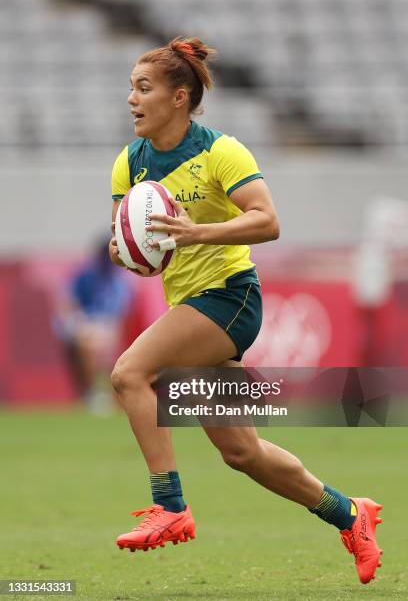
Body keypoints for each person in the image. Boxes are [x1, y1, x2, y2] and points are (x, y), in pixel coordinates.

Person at [109, 37, 382, 585]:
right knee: (242, 450)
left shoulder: (221, 152)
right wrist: (128, 251)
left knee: (130, 373)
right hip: (192, 302)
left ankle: (170, 505)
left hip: (232, 298)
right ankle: (350, 514)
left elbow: (267, 220)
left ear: (179, 97)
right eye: (131, 89)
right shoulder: (130, 163)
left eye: (144, 89)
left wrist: (195, 234)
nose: (132, 100)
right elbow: (124, 243)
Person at [59, 237, 131, 414]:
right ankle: (94, 392)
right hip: (83, 322)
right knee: (89, 344)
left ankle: (107, 393)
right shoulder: (85, 275)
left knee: (104, 343)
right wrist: (79, 323)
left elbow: (118, 315)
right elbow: (68, 305)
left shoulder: (120, 281)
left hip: (106, 326)